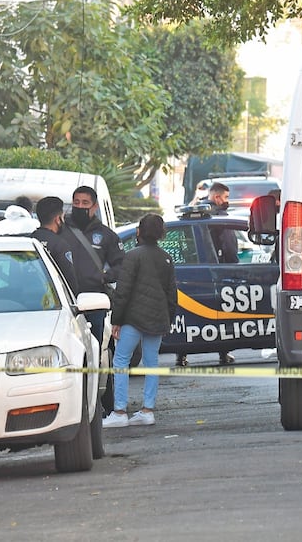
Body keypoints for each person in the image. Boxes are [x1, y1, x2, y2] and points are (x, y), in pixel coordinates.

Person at [103, 213, 178, 428]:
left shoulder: (133, 256)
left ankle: (119, 412)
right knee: (152, 362)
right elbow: (172, 293)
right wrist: (168, 319)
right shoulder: (166, 257)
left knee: (120, 361)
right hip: (157, 318)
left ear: (139, 232)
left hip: (133, 319)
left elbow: (123, 291)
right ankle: (147, 410)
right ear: (161, 233)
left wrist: (116, 320)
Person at [176, 181, 237, 367]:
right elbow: (229, 246)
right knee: (223, 313)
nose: (227, 201)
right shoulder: (216, 216)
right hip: (218, 271)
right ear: (217, 197)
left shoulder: (194, 212)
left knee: (188, 316)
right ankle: (224, 352)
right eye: (226, 197)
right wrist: (234, 266)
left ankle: (182, 354)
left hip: (193, 270)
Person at [62, 185, 124, 346]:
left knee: (94, 347)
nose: (80, 206)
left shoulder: (106, 235)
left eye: (85, 203)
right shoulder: (60, 230)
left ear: (94, 206)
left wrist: (103, 278)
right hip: (63, 300)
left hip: (94, 301)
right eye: (76, 202)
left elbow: (121, 265)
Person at [29, 196, 79, 293]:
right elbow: (70, 283)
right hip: (52, 301)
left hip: (25, 300)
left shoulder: (28, 241)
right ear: (58, 219)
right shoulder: (60, 245)